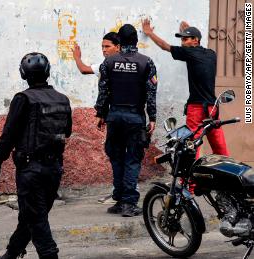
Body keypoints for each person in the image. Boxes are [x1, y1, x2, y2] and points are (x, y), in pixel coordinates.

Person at [0, 53, 72, 259]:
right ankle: (11, 253)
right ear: (47, 72)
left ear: (23, 74)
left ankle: (49, 255)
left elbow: (8, 136)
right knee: (31, 216)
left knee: (36, 220)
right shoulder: (63, 100)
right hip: (54, 170)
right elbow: (67, 132)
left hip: (31, 170)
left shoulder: (23, 99)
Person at [142, 18, 229, 158]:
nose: (182, 43)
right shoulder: (212, 54)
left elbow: (164, 46)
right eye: (182, 40)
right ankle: (226, 173)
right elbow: (195, 49)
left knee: (191, 146)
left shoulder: (188, 53)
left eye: (185, 39)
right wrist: (187, 31)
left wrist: (149, 33)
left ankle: (188, 180)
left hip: (196, 107)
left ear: (196, 40)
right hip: (212, 108)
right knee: (219, 145)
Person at [95, 24, 157, 217]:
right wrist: (152, 117)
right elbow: (151, 93)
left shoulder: (108, 63)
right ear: (136, 41)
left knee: (116, 157)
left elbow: (103, 92)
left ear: (119, 42)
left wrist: (101, 114)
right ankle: (128, 203)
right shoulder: (146, 62)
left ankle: (120, 199)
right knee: (132, 159)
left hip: (115, 117)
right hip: (135, 118)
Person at [72, 32, 121, 204]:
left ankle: (120, 193)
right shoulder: (135, 63)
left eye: (107, 46)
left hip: (116, 117)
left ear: (118, 46)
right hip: (129, 117)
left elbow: (84, 70)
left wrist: (77, 57)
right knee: (124, 155)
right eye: (102, 47)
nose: (104, 50)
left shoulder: (107, 65)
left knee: (116, 153)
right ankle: (123, 192)